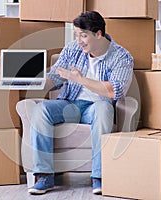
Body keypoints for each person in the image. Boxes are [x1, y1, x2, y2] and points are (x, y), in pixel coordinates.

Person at [28, 11, 134, 195]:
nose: (79, 41)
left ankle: (99, 176)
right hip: (70, 104)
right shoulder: (72, 49)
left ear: (98, 34)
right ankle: (44, 176)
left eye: (83, 35)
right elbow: (54, 78)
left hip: (97, 106)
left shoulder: (121, 57)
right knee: (40, 110)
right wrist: (29, 82)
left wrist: (81, 79)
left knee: (103, 109)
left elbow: (114, 91)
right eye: (77, 35)